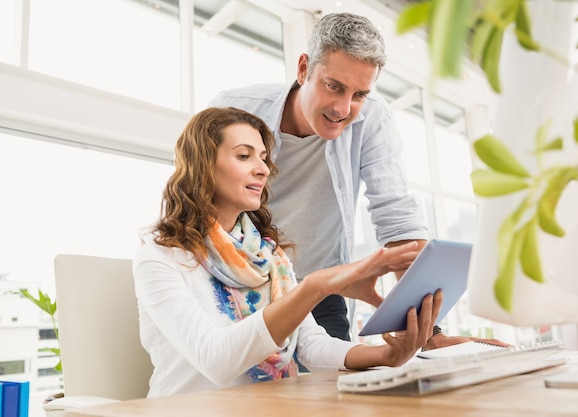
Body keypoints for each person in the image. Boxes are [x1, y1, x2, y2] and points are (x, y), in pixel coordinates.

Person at [209, 12, 506, 350]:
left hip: (322, 292)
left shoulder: (372, 118)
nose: (343, 108)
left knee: (332, 395)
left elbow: (397, 218)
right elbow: (195, 198)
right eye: (333, 86)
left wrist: (430, 333)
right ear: (304, 68)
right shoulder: (235, 109)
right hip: (239, 283)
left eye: (359, 94)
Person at [133, 106, 443, 397]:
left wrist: (386, 354)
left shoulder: (269, 257)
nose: (262, 169)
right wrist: (315, 286)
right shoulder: (160, 258)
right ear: (203, 165)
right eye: (244, 156)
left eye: (263, 158)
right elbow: (217, 360)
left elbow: (310, 345)